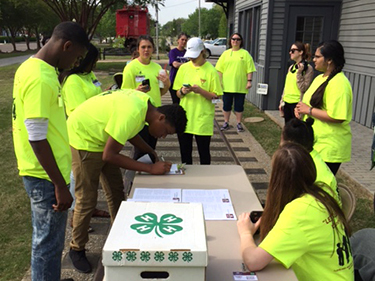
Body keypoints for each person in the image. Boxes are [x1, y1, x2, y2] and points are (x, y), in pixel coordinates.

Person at [67, 89, 187, 273]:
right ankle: (77, 248)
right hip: (84, 139)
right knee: (87, 198)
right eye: (165, 132)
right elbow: (109, 155)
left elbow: (128, 132)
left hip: (102, 139)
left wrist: (150, 151)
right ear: (161, 118)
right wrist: (149, 168)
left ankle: (119, 234)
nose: (163, 136)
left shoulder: (144, 105)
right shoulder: (132, 112)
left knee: (116, 191)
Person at [12, 21, 89, 281]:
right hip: (45, 177)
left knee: (47, 241)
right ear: (66, 46)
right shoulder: (40, 77)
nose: (74, 62)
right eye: (76, 56)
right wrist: (59, 184)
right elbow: (36, 137)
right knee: (47, 245)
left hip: (44, 172)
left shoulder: (31, 67)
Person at [237, 142, 353, 281]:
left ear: (277, 179)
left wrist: (245, 233)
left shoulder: (300, 212)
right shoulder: (322, 192)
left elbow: (253, 261)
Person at [60, 43, 110, 229]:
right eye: (94, 60)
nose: (96, 64)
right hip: (82, 136)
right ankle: (76, 216)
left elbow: (95, 96)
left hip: (96, 133)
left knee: (91, 180)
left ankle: (91, 208)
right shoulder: (73, 81)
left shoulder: (89, 75)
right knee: (80, 180)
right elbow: (79, 112)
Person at [295, 40, 352, 175]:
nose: (313, 59)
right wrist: (300, 110)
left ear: (329, 60)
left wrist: (308, 110)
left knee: (321, 187)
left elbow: (337, 116)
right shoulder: (320, 78)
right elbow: (309, 103)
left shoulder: (339, 84)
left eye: (317, 57)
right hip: (316, 143)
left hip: (329, 147)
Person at [173, 37, 223, 164]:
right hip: (185, 117)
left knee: (204, 153)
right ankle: (187, 179)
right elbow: (177, 94)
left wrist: (201, 91)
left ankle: (205, 180)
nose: (191, 59)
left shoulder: (211, 71)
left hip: (202, 118)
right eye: (190, 56)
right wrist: (182, 92)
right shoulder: (183, 68)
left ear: (202, 52)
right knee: (185, 153)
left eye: (194, 56)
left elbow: (216, 97)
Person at [281, 118, 341, 205]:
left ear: (288, 143)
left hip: (320, 211)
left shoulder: (298, 165)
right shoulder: (313, 157)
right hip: (329, 211)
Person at [216, 33, 256, 132]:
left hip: (240, 86)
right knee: (226, 105)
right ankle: (226, 122)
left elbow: (249, 69)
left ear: (241, 41)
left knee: (239, 106)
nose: (235, 41)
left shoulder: (245, 54)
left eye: (238, 39)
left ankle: (238, 123)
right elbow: (219, 70)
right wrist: (219, 83)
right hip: (227, 85)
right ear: (230, 41)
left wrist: (249, 81)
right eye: (233, 39)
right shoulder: (225, 54)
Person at [279, 41, 313, 124]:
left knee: (296, 131)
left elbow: (303, 88)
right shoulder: (291, 67)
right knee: (288, 129)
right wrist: (281, 101)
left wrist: (299, 73)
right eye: (290, 50)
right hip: (287, 102)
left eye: (293, 50)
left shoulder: (308, 69)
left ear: (301, 52)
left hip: (297, 104)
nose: (290, 52)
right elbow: (286, 86)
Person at [168, 33, 188, 104]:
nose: (184, 42)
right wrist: (186, 64)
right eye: (182, 39)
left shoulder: (187, 52)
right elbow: (175, 64)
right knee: (176, 103)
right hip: (174, 81)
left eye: (185, 40)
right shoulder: (173, 52)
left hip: (185, 81)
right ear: (178, 41)